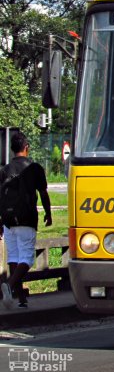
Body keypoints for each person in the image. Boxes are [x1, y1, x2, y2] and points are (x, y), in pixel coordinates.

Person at [0, 131, 52, 309]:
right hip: (26, 218)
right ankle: (8, 285)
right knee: (27, 259)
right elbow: (43, 193)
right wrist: (48, 213)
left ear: (12, 149)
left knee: (14, 257)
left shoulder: (5, 169)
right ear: (26, 147)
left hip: (7, 219)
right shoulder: (34, 168)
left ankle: (20, 299)